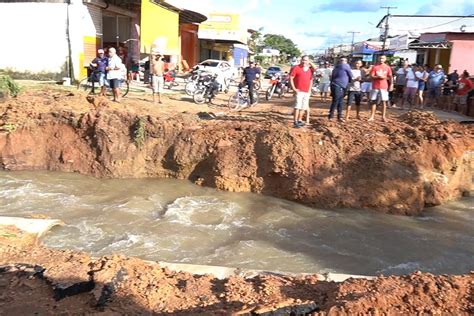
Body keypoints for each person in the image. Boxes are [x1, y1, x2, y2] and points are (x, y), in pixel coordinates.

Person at [290, 55, 313, 128]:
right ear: (301, 60)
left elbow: (310, 80)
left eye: (306, 60)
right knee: (297, 106)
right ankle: (295, 121)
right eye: (303, 60)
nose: (304, 61)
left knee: (303, 107)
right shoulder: (296, 68)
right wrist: (294, 88)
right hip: (299, 91)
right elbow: (291, 78)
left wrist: (309, 89)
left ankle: (299, 119)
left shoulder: (309, 69)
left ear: (308, 61)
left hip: (306, 91)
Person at [368, 55, 392, 122]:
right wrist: (378, 77)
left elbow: (390, 76)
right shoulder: (375, 67)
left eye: (383, 58)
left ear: (385, 59)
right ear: (378, 59)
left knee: (384, 101)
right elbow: (371, 76)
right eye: (380, 58)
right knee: (374, 101)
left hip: (384, 86)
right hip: (375, 86)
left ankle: (383, 116)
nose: (381, 59)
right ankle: (372, 116)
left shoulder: (387, 67)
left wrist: (391, 84)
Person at [328, 57, 352, 121]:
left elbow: (332, 77)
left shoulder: (336, 67)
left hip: (339, 85)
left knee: (339, 101)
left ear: (346, 61)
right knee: (337, 100)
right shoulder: (345, 66)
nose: (342, 62)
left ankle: (338, 116)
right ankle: (332, 115)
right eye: (341, 60)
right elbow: (350, 76)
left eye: (344, 60)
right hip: (338, 85)